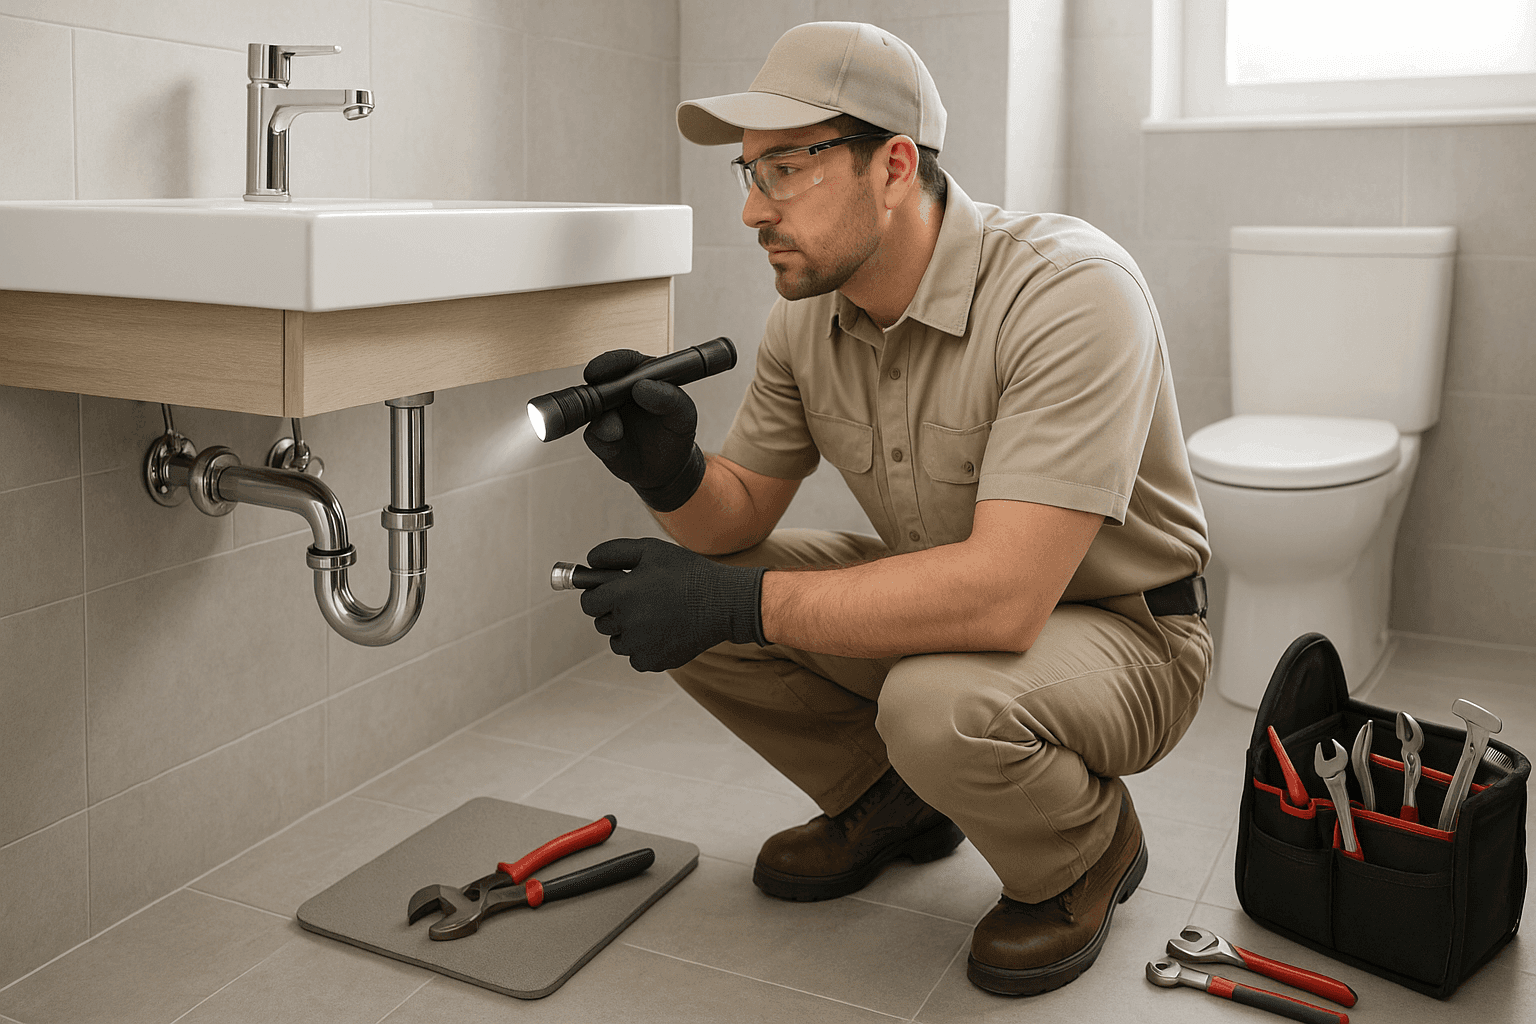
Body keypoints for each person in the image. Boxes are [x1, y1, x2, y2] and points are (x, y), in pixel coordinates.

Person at [573, 21, 1212, 996]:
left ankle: (1087, 848)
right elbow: (735, 519)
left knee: (931, 700)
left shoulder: (1071, 293)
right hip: (956, 608)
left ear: (894, 165)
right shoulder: (806, 316)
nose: (751, 210)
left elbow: (1001, 597)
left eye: (782, 170)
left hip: (1130, 635)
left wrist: (737, 603)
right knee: (703, 592)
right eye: (746, 174)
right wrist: (671, 472)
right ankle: (890, 802)